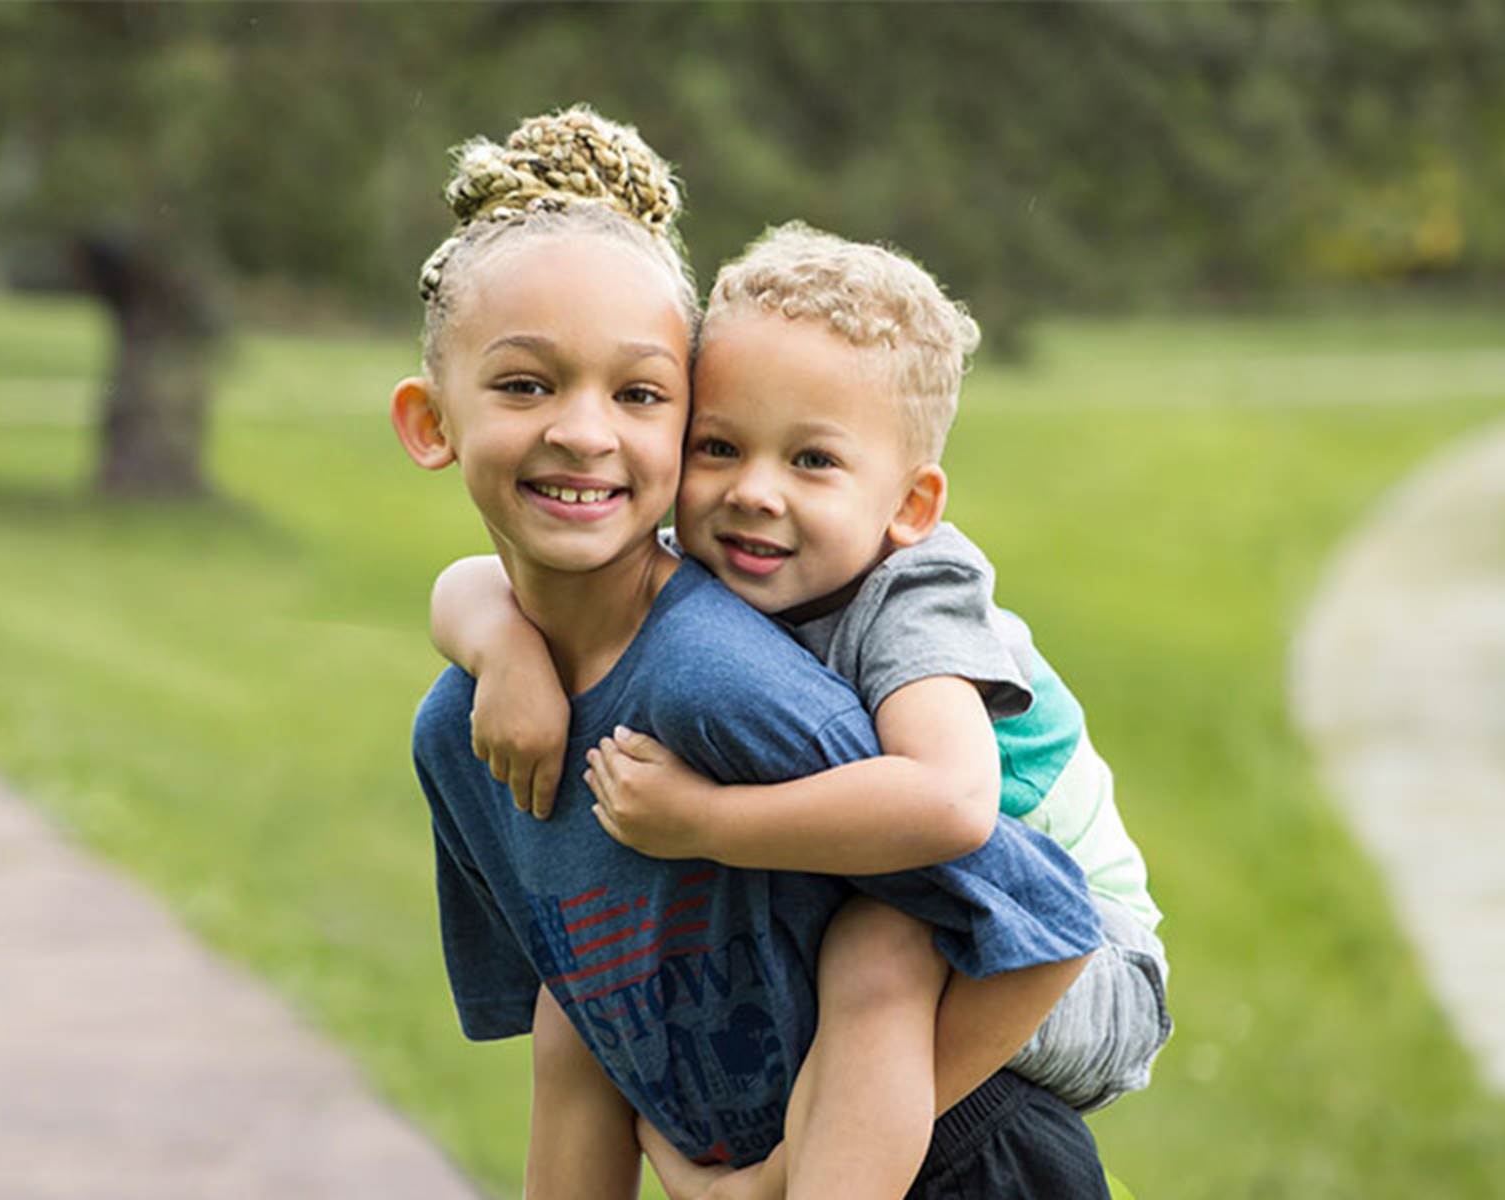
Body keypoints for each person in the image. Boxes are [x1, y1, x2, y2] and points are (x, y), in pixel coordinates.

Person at [393, 106, 1110, 1200]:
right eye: (721, 447)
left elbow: (1008, 870)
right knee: (573, 1014)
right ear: (428, 421)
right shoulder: (497, 701)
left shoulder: (885, 615)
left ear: (907, 503)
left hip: (1067, 965)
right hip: (952, 941)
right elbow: (471, 587)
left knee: (880, 947)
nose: (754, 491)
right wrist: (504, 654)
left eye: (635, 395)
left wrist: (769, 1178)